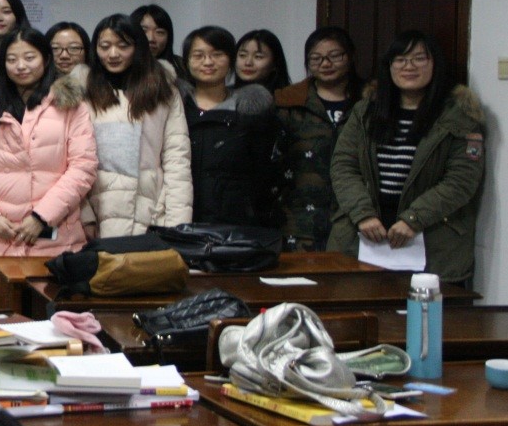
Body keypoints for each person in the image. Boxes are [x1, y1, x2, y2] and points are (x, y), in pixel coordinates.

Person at [328, 31, 485, 285]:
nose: (408, 66)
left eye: (419, 58)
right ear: (389, 66)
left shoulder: (459, 116)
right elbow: (343, 166)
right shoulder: (365, 111)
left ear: (435, 64)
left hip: (432, 240)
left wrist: (414, 219)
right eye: (400, 59)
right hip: (365, 235)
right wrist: (362, 213)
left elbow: (461, 181)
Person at [0, 27, 97, 279]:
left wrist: (41, 218)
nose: (20, 66)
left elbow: (83, 168)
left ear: (46, 59)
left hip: (54, 239)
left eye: (29, 58)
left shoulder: (70, 106)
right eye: (11, 59)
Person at [80, 14, 192, 238]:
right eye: (105, 46)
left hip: (153, 210)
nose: (113, 54)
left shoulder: (162, 90)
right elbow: (72, 162)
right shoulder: (84, 91)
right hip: (99, 211)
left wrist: (177, 225)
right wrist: (84, 216)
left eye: (123, 46)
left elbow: (177, 159)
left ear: (138, 47)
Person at [177, 25, 282, 227]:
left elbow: (262, 172)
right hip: (182, 217)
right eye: (198, 55)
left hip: (235, 222)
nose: (208, 62)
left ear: (231, 59)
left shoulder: (250, 110)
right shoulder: (175, 107)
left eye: (217, 55)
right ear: (187, 62)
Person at [275, 26, 365, 251]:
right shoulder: (288, 101)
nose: (325, 64)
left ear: (351, 56)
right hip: (298, 217)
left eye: (334, 56)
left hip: (356, 215)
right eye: (316, 58)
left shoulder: (369, 101)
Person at [131, 4, 184, 77]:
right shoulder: (120, 65)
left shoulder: (182, 66)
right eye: (143, 31)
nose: (151, 39)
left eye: (159, 32)